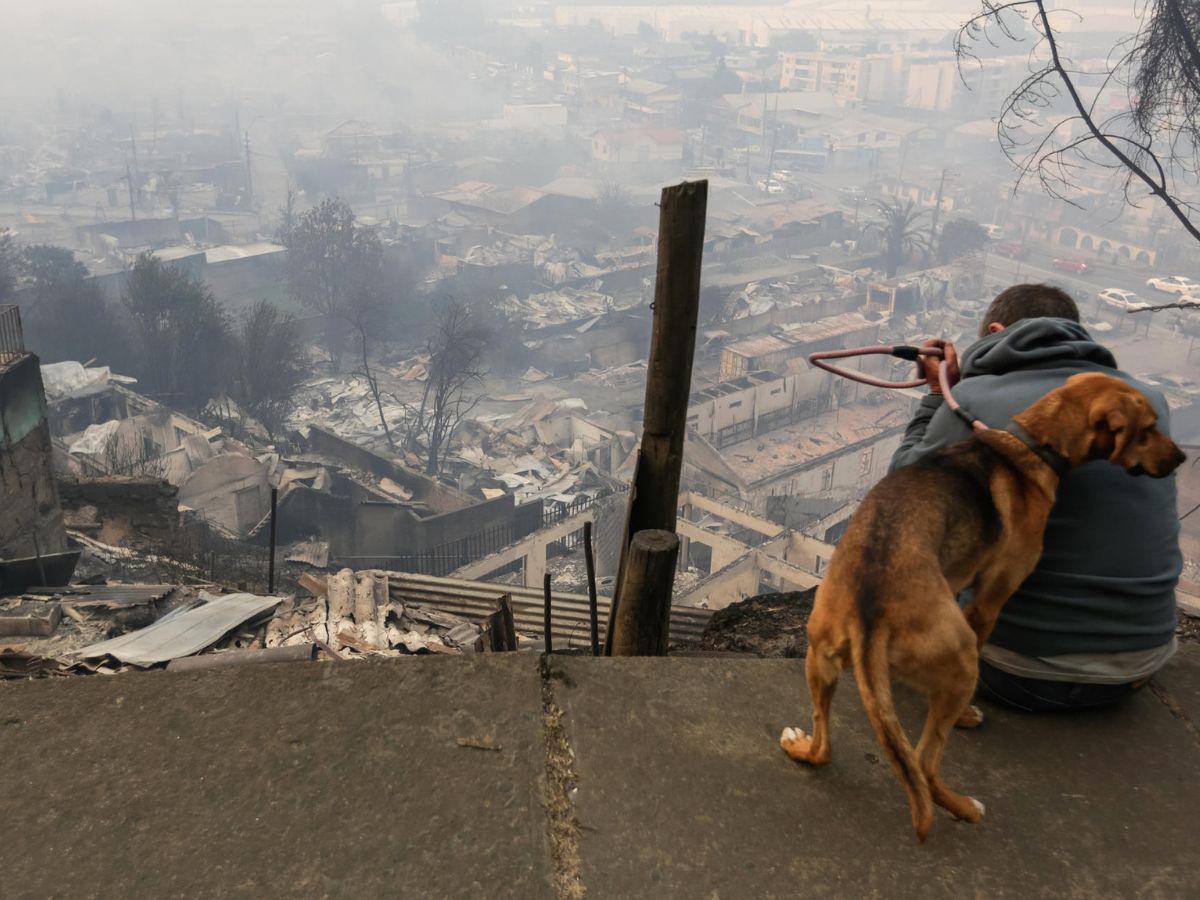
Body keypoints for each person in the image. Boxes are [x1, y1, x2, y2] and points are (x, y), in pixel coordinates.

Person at [891, 283, 1183, 712]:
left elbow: (901, 494)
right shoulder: (1147, 400)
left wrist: (939, 397)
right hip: (1142, 662)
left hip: (1017, 671)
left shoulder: (975, 401)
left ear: (995, 331)